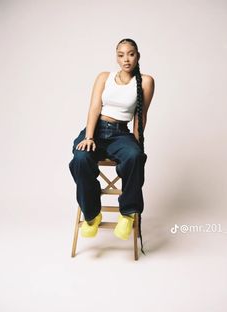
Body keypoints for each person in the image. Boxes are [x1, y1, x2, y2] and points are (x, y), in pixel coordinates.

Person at [69, 38, 155, 254]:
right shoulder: (104, 77)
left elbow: (140, 117)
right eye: (121, 54)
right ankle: (92, 214)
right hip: (95, 131)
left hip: (120, 135)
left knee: (135, 157)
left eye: (131, 53)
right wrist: (88, 137)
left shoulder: (145, 81)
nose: (126, 58)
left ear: (138, 56)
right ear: (116, 57)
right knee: (80, 159)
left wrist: (137, 145)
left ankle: (127, 213)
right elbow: (94, 108)